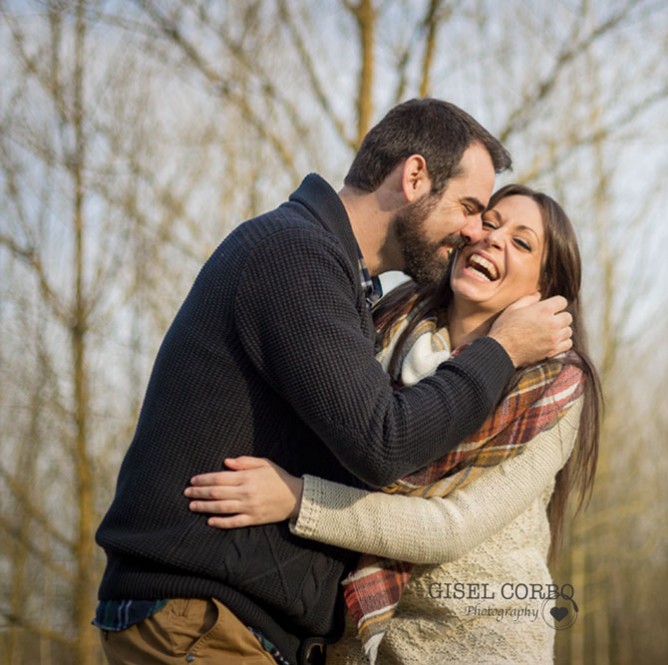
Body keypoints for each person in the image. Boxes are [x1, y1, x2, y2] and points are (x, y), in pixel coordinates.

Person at [93, 100, 575, 665]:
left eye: (515, 237)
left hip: (222, 623)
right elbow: (383, 441)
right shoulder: (296, 256)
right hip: (199, 620)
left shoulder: (338, 281)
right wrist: (500, 350)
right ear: (414, 177)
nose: (475, 231)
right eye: (474, 209)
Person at [185, 184, 602, 664]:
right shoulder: (382, 323)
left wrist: (300, 499)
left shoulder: (555, 389)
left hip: (484, 643)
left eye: (521, 241)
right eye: (489, 223)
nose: (492, 238)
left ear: (545, 289)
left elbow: (453, 527)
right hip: (364, 644)